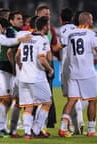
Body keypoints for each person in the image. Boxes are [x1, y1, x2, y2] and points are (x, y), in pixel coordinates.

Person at [58, 12, 97, 137]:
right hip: (87, 72)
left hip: (73, 72)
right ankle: (91, 130)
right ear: (88, 21)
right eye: (92, 19)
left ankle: (62, 128)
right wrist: (96, 61)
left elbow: (59, 47)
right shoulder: (91, 34)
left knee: (71, 100)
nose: (92, 22)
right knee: (92, 100)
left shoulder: (70, 34)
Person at [15, 16, 54, 140]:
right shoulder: (42, 40)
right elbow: (42, 59)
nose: (49, 28)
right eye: (48, 25)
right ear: (44, 27)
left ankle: (27, 133)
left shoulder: (26, 38)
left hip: (23, 77)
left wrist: (21, 66)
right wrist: (50, 69)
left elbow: (17, 56)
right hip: (36, 77)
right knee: (47, 102)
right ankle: (36, 130)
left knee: (28, 105)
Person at [59, 8, 87, 135]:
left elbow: (63, 45)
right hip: (79, 65)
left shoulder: (63, 30)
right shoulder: (79, 31)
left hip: (66, 66)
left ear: (61, 19)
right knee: (76, 97)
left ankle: (73, 122)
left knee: (71, 97)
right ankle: (77, 124)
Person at [34, 4, 60, 134]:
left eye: (49, 14)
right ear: (37, 14)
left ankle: (43, 124)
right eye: (45, 14)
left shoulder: (51, 30)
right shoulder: (29, 29)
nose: (48, 16)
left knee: (48, 95)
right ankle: (35, 125)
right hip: (35, 66)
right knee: (36, 97)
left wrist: (59, 47)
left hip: (48, 64)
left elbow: (53, 48)